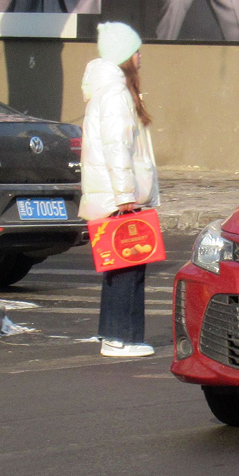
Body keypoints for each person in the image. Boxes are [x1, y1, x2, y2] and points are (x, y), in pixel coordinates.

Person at [79, 22, 160, 358]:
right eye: (137, 50)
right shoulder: (115, 94)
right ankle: (119, 338)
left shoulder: (108, 90)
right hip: (119, 197)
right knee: (129, 265)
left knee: (117, 266)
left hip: (112, 194)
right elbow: (117, 148)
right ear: (126, 56)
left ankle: (110, 333)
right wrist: (127, 196)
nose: (141, 57)